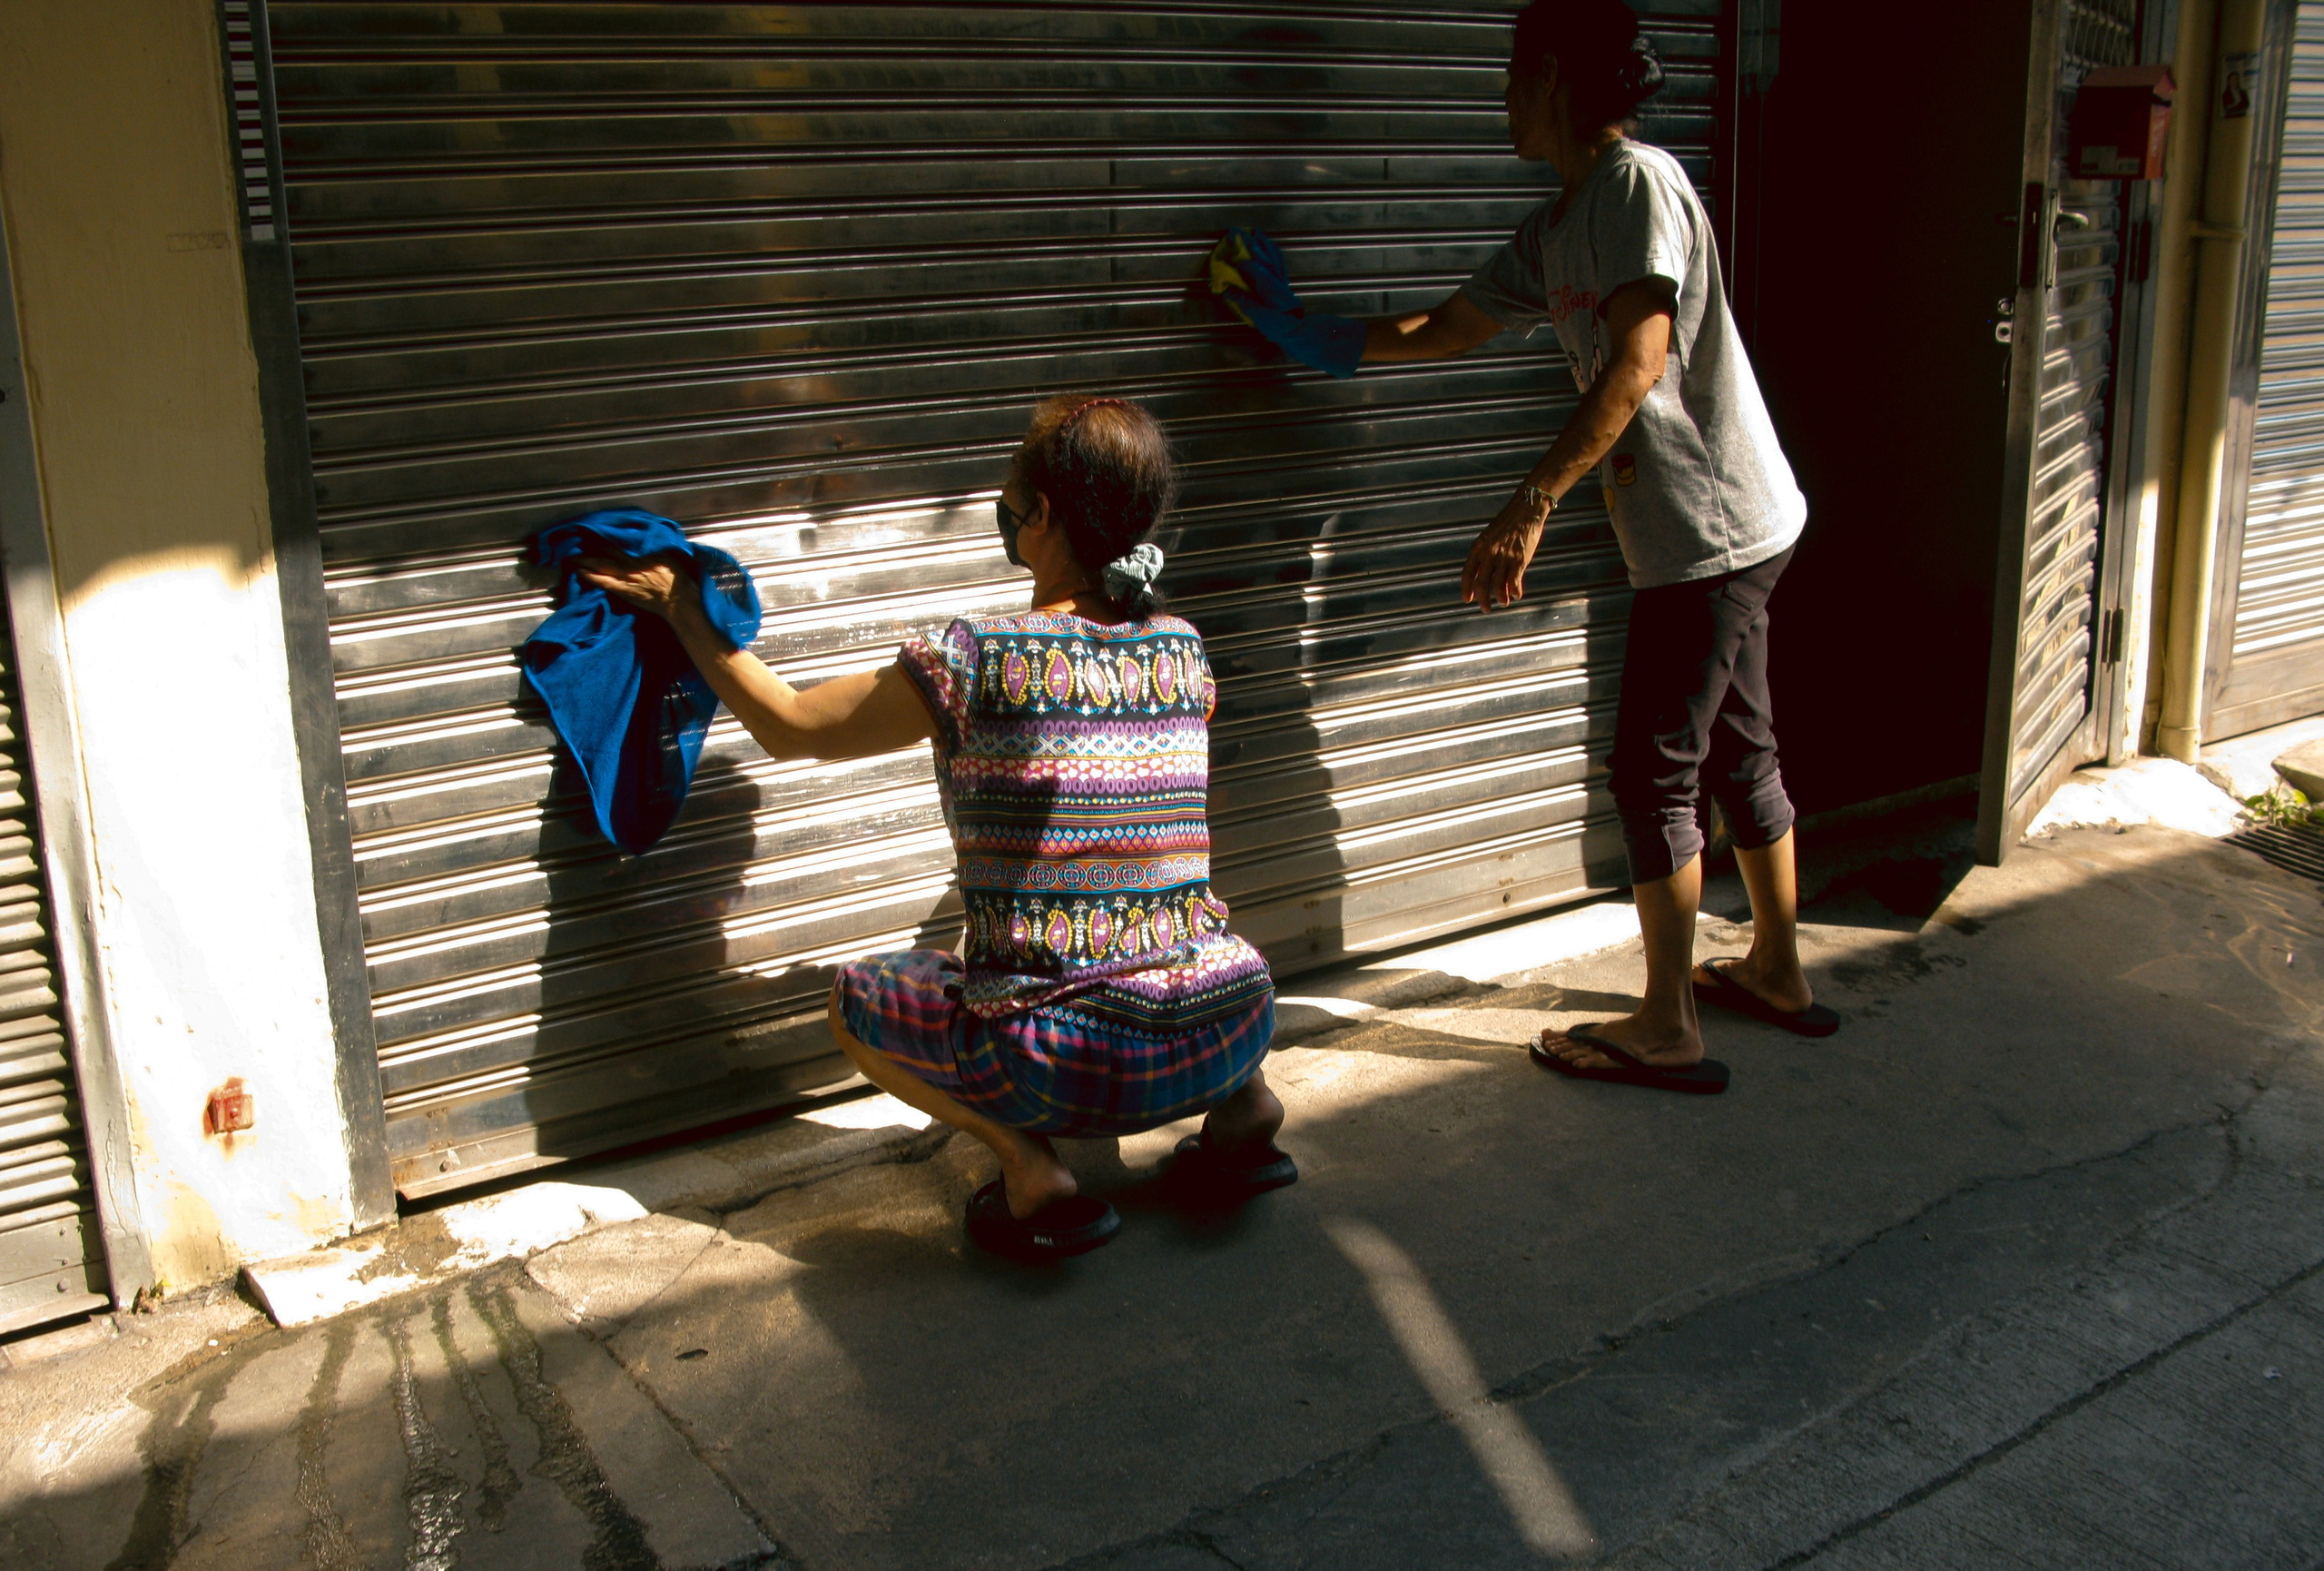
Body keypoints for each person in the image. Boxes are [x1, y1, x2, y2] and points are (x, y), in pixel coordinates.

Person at [1215, 0, 1837, 1094]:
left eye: (1510, 74)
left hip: (1710, 529)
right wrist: (1303, 330)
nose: (1498, 96)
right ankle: (1778, 971)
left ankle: (1666, 1021)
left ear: (1551, 75)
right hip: (1721, 529)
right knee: (1739, 748)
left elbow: (1638, 361)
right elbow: (1446, 328)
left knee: (1654, 772)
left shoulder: (1635, 184)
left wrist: (1531, 501)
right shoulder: (1559, 226)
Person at [582, 396, 1293, 1260]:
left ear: (1041, 519)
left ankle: (1031, 1170)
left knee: (857, 1001)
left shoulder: (979, 655)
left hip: (1066, 1062)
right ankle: (1249, 1109)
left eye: (1010, 495)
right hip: (1232, 1018)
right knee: (1181, 918)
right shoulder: (1183, 646)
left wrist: (684, 613)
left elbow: (797, 726)